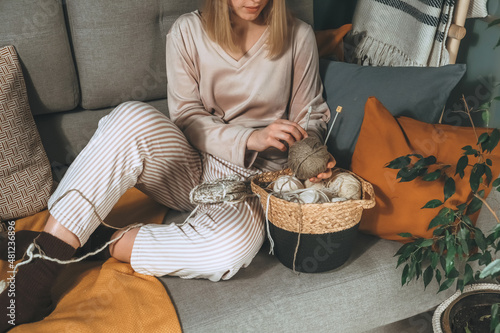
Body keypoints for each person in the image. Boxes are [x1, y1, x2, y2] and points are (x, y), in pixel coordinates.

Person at [0, 0, 334, 330]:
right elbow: (187, 116)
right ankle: (35, 276)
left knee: (229, 252)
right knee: (129, 116)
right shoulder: (187, 31)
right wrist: (248, 138)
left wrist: (308, 153)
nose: (253, 1)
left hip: (254, 180)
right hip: (192, 163)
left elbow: (312, 113)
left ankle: (92, 240)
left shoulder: (298, 35)